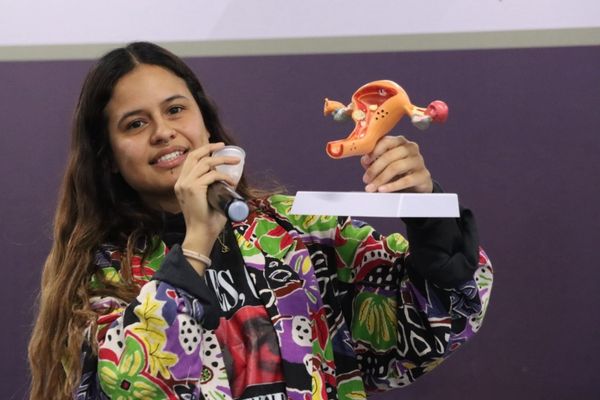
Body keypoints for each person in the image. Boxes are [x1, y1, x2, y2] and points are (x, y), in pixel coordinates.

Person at [28, 42, 493, 400]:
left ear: (205, 121)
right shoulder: (99, 276)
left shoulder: (296, 230)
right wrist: (196, 244)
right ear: (108, 157)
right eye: (135, 123)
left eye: (175, 109)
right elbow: (134, 387)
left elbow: (429, 327)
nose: (164, 131)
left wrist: (426, 209)